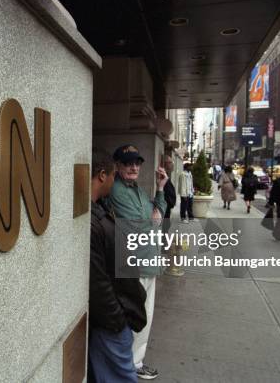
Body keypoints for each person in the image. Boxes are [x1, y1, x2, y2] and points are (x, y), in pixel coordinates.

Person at [109, 144, 168, 381]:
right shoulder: (117, 190)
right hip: (135, 265)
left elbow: (156, 216)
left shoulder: (138, 190)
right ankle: (131, 364)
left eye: (137, 163)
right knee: (137, 317)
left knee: (145, 316)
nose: (133, 167)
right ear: (118, 166)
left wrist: (161, 189)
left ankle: (134, 362)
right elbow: (144, 224)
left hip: (148, 262)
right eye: (128, 163)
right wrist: (153, 217)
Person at [88, 148, 147, 383]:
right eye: (114, 174)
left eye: (137, 163)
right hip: (112, 322)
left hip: (120, 310)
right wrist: (117, 321)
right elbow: (98, 281)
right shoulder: (96, 219)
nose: (133, 168)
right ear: (103, 175)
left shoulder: (101, 208)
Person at [162, 154, 177, 233]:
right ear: (165, 164)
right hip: (164, 208)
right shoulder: (162, 175)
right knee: (164, 228)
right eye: (170, 162)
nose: (173, 164)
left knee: (166, 227)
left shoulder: (166, 175)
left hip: (167, 208)